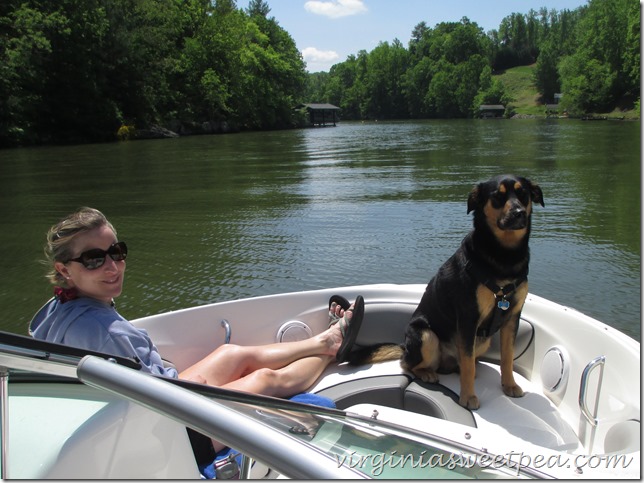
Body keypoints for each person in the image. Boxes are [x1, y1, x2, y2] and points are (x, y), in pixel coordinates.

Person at [29, 208, 364, 443]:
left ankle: (323, 341)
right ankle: (332, 351)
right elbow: (153, 409)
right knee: (264, 378)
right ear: (64, 269)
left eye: (116, 252)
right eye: (93, 259)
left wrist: (189, 381)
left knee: (230, 353)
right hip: (176, 428)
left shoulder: (56, 309)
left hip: (162, 396)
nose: (112, 266)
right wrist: (197, 389)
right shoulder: (103, 330)